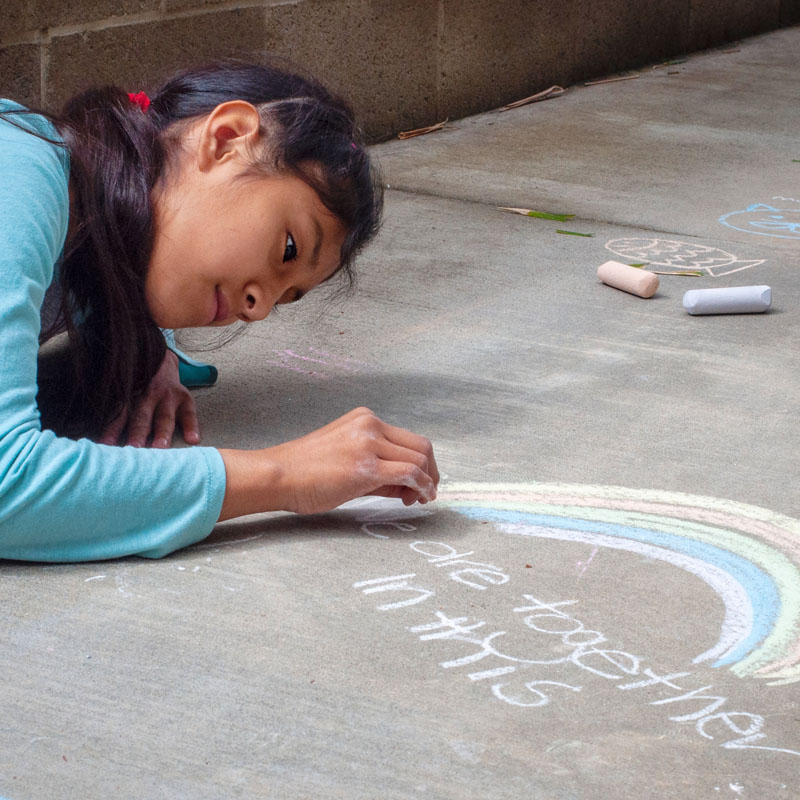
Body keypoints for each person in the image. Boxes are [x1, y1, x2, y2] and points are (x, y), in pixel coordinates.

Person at [0, 60, 438, 562]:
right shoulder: (21, 173)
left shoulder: (88, 221)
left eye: (286, 297)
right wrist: (284, 474)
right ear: (227, 138)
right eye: (288, 249)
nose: (259, 308)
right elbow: (6, 481)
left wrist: (150, 346)